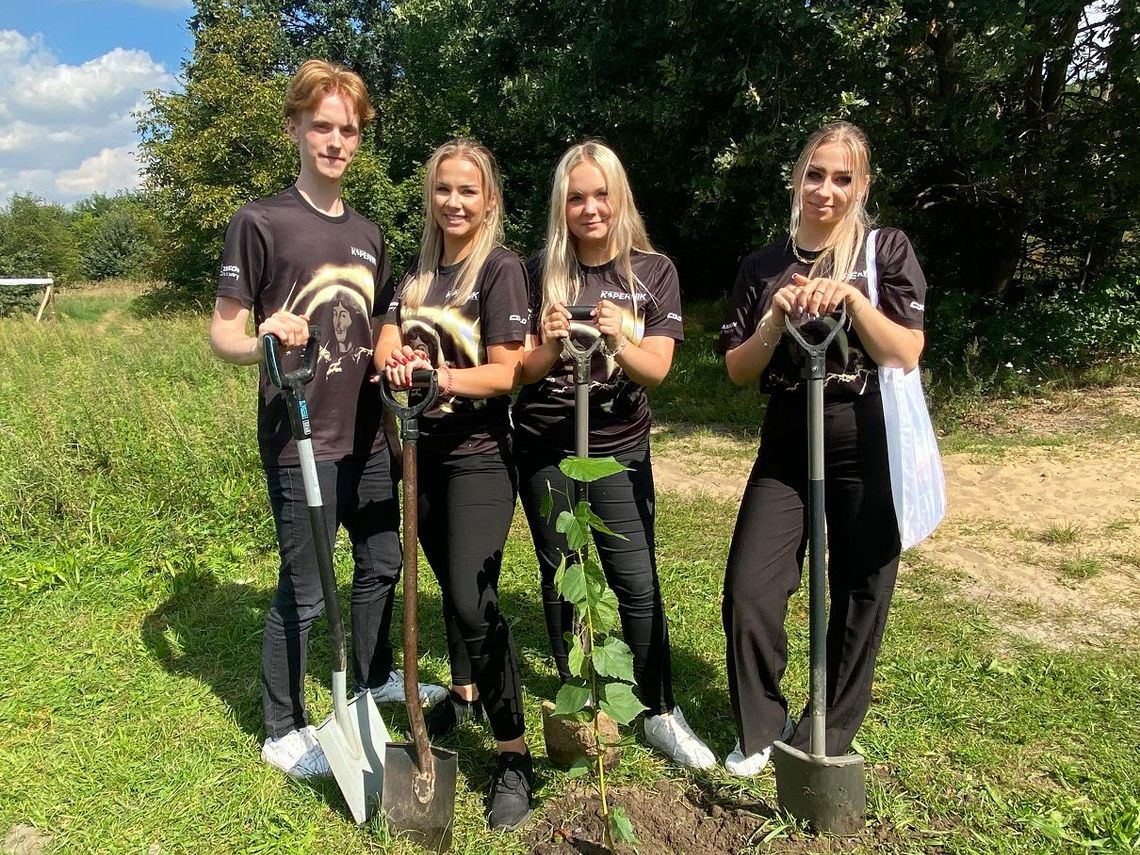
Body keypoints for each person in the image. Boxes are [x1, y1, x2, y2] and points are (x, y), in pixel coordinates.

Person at [208, 59, 444, 780]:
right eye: (322, 127)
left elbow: (375, 327)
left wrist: (397, 360)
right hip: (298, 436)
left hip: (368, 432)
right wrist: (264, 342)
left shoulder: (370, 234)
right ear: (294, 129)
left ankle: (373, 678)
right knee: (305, 588)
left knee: (380, 560)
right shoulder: (260, 222)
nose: (336, 141)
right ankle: (282, 728)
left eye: (348, 130)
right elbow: (222, 333)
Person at [717, 121, 927, 775]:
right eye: (815, 173)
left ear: (860, 185)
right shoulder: (763, 265)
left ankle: (830, 727)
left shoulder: (884, 251)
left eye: (842, 177)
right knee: (749, 587)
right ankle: (763, 723)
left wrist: (854, 302)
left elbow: (906, 350)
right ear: (796, 178)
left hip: (867, 437)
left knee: (863, 585)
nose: (826, 190)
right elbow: (738, 369)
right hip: (786, 440)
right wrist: (775, 319)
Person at [514, 141, 716, 770]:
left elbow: (655, 368)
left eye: (601, 194)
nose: (590, 208)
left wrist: (619, 335)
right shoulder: (535, 271)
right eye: (576, 197)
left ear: (620, 197)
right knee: (561, 572)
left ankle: (658, 709)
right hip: (546, 441)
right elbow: (518, 368)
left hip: (618, 447)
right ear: (562, 205)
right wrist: (547, 343)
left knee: (634, 578)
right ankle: (580, 702)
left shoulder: (653, 273)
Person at [377, 138, 534, 830]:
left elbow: (507, 371)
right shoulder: (416, 272)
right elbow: (387, 334)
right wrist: (395, 357)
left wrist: (439, 378)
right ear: (430, 196)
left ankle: (513, 756)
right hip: (420, 452)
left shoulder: (499, 270)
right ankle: (464, 692)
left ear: (488, 199)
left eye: (468, 190)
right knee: (445, 591)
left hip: (477, 456)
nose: (455, 202)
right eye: (444, 189)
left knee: (475, 604)